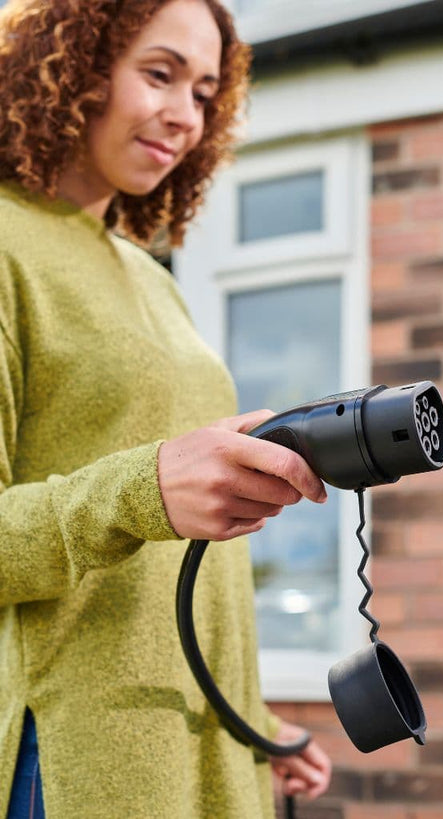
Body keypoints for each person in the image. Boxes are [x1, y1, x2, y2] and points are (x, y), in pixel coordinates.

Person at [0, 0, 334, 815]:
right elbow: (143, 498)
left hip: (208, 754)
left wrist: (251, 719)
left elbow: (168, 576)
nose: (184, 115)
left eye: (206, 92)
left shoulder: (152, 275)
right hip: (82, 760)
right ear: (72, 65)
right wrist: (143, 488)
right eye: (160, 74)